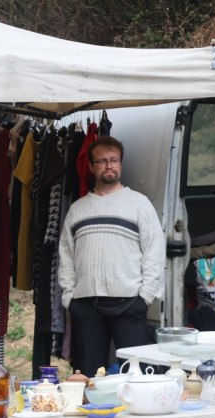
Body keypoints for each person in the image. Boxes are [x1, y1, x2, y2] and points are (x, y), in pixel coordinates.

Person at [58, 135, 165, 376]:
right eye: (102, 161)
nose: (109, 166)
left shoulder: (139, 204)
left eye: (114, 160)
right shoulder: (78, 209)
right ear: (91, 166)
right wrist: (70, 298)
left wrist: (145, 297)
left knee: (139, 376)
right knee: (87, 377)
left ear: (121, 164)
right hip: (86, 305)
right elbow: (66, 256)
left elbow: (154, 253)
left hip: (129, 303)